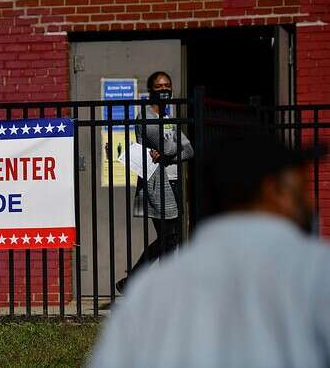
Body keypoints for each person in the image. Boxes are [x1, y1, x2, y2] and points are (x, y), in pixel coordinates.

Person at [89, 135, 330, 368]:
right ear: (274, 190)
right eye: (302, 188)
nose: (312, 202)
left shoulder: (149, 292)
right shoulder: (317, 270)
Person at [116, 72, 193, 293]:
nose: (164, 89)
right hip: (157, 184)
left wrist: (170, 153)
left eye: (167, 85)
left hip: (175, 181)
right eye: (159, 86)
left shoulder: (169, 118)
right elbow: (170, 146)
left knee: (171, 238)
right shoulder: (146, 116)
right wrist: (172, 149)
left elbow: (189, 151)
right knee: (169, 236)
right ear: (151, 90)